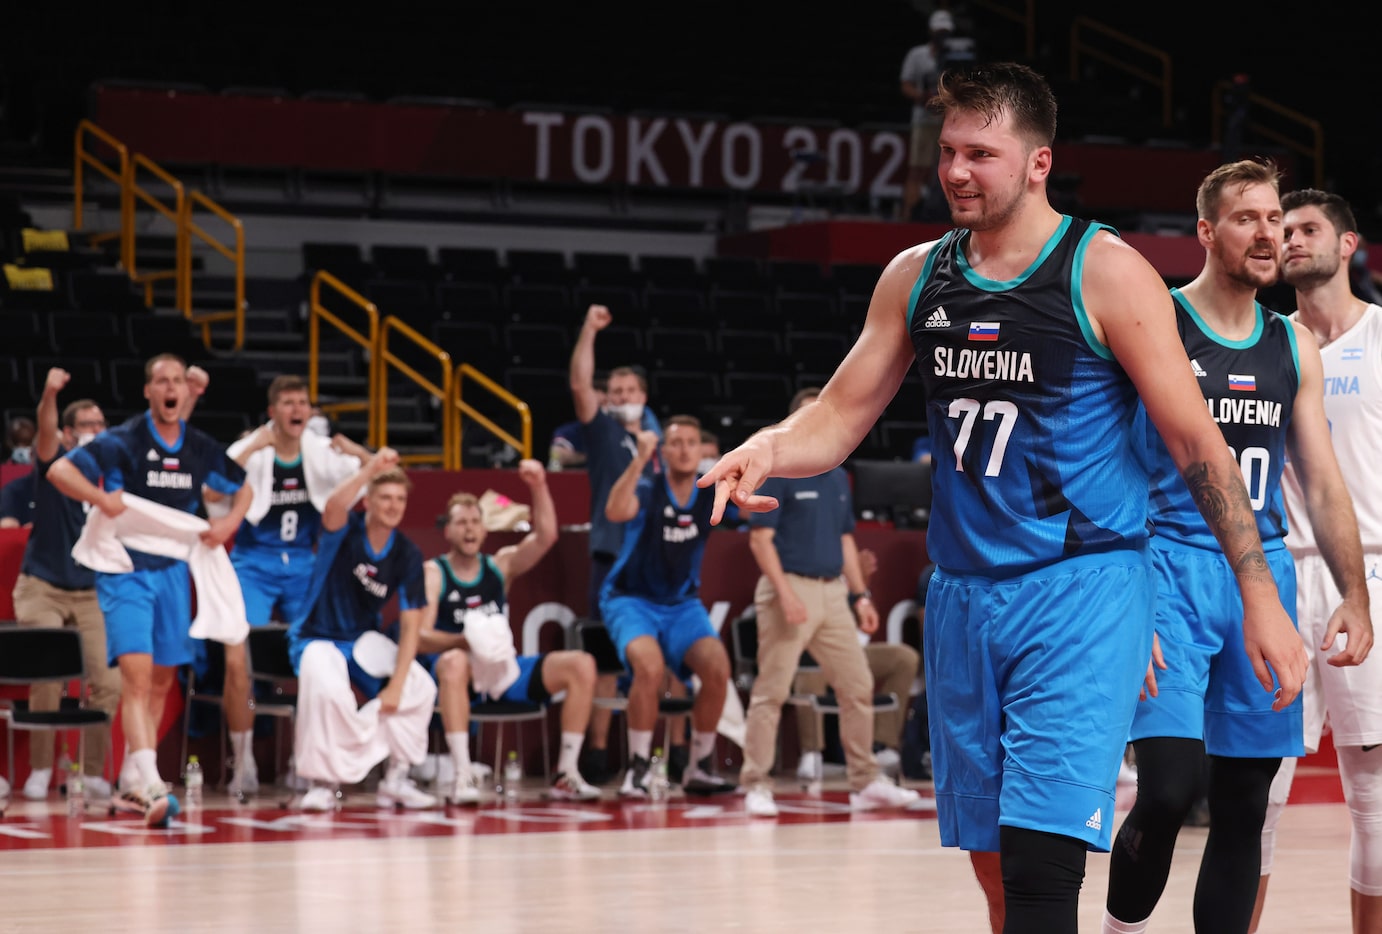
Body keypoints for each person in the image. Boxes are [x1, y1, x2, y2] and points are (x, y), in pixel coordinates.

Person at [698, 62, 1308, 934]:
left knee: (1038, 867)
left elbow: (1196, 443)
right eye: (948, 151)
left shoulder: (1105, 271)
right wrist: (765, 448)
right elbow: (835, 418)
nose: (954, 171)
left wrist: (1258, 594)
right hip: (961, 598)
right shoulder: (917, 275)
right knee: (994, 871)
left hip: (1080, 589)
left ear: (1037, 162)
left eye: (979, 153)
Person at [1102, 161, 1372, 934]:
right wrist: (1123, 592)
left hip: (1264, 576)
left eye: (1276, 219)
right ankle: (1123, 927)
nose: (1268, 233)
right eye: (1247, 218)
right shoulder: (1156, 320)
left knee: (1245, 804)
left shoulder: (1292, 343)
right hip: (1165, 568)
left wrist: (1354, 594)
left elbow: (1320, 484)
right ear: (1206, 232)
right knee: (1166, 789)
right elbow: (1105, 466)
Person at [1251, 189, 1382, 934]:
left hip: (1371, 569)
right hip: (1280, 569)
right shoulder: (1265, 341)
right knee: (1258, 791)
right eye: (1282, 228)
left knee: (1372, 795)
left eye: (1306, 228)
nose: (1290, 239)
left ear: (1347, 244)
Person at [47, 353, 252, 826]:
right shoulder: (124, 440)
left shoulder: (199, 446)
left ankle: (131, 781)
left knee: (163, 681)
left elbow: (243, 487)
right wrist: (101, 499)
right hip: (126, 569)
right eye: (161, 380)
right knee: (137, 679)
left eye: (177, 380)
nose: (170, 387)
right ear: (148, 391)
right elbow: (59, 472)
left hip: (175, 570)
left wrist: (230, 522)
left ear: (186, 391)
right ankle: (151, 782)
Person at [739, 387, 920, 817]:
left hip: (833, 591)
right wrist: (786, 595)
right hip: (790, 588)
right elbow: (760, 540)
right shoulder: (777, 471)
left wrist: (861, 596)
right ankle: (756, 783)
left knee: (856, 685)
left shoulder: (837, 475)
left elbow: (844, 540)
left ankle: (864, 781)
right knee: (772, 690)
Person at [217, 374, 369, 797]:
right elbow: (214, 485)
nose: (297, 409)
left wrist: (355, 450)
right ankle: (242, 758)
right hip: (253, 564)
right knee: (237, 658)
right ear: (273, 412)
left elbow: (370, 479)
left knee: (317, 658)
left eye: (303, 402)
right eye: (288, 402)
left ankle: (305, 759)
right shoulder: (253, 449)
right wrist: (250, 447)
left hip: (304, 563)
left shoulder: (319, 453)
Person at [417, 461, 601, 804]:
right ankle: (462, 775)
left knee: (581, 664)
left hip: (503, 670)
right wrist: (467, 641)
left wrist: (539, 485)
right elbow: (421, 636)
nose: (469, 529)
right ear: (448, 531)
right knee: (455, 661)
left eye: (475, 522)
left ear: (484, 530)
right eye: (461, 523)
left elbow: (546, 537)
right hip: (461, 676)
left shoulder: (499, 565)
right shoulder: (435, 573)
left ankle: (566, 773)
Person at [286, 448, 438, 811]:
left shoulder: (407, 553)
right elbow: (333, 508)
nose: (393, 505)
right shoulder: (346, 530)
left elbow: (413, 622)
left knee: (420, 686)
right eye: (385, 497)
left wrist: (397, 685)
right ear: (367, 501)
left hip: (360, 640)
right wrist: (370, 467)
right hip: (316, 636)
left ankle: (395, 779)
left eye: (400, 499)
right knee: (329, 691)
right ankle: (322, 783)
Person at [603, 414, 736, 797]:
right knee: (649, 667)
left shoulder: (711, 493)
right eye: (675, 443)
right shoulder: (647, 487)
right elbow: (614, 511)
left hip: (682, 604)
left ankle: (699, 766)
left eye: (691, 443)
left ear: (702, 451)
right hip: (631, 599)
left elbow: (749, 506)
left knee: (717, 666)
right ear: (663, 451)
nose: (683, 450)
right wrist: (637, 460)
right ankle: (639, 769)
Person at [10, 368, 119, 801]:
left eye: (100, 424)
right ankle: (40, 768)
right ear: (71, 434)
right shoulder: (56, 464)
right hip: (43, 586)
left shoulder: (113, 475)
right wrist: (50, 392)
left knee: (109, 680)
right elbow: (46, 429)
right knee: (48, 669)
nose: (96, 431)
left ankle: (93, 771)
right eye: (87, 426)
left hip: (92, 589)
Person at [568, 303, 661, 782]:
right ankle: (599, 754)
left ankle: (666, 761)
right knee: (607, 661)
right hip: (612, 558)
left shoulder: (662, 443)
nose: (623, 396)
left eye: (631, 390)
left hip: (655, 562)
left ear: (644, 397)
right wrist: (589, 330)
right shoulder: (604, 433)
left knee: (662, 662)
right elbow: (581, 386)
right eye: (617, 391)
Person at [795, 543, 922, 783]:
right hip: (809, 653)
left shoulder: (850, 580)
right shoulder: (803, 572)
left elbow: (860, 636)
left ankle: (884, 746)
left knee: (903, 658)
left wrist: (860, 584)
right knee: (809, 667)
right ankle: (811, 752)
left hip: (847, 651)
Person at [548, 375, 605, 471]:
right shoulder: (568, 431)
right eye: (594, 406)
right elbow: (557, 455)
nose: (599, 411)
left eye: (604, 404)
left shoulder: (620, 429)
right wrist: (592, 456)